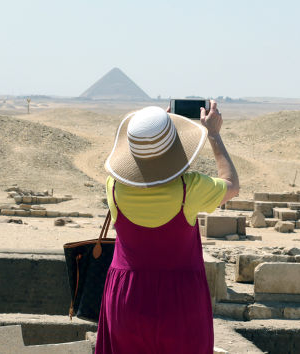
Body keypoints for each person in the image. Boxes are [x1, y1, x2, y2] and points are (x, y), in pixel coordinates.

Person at [96, 101, 239, 354]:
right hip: (180, 301)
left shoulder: (113, 187)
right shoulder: (190, 188)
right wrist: (213, 134)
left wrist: (150, 133)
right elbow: (231, 184)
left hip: (126, 298)